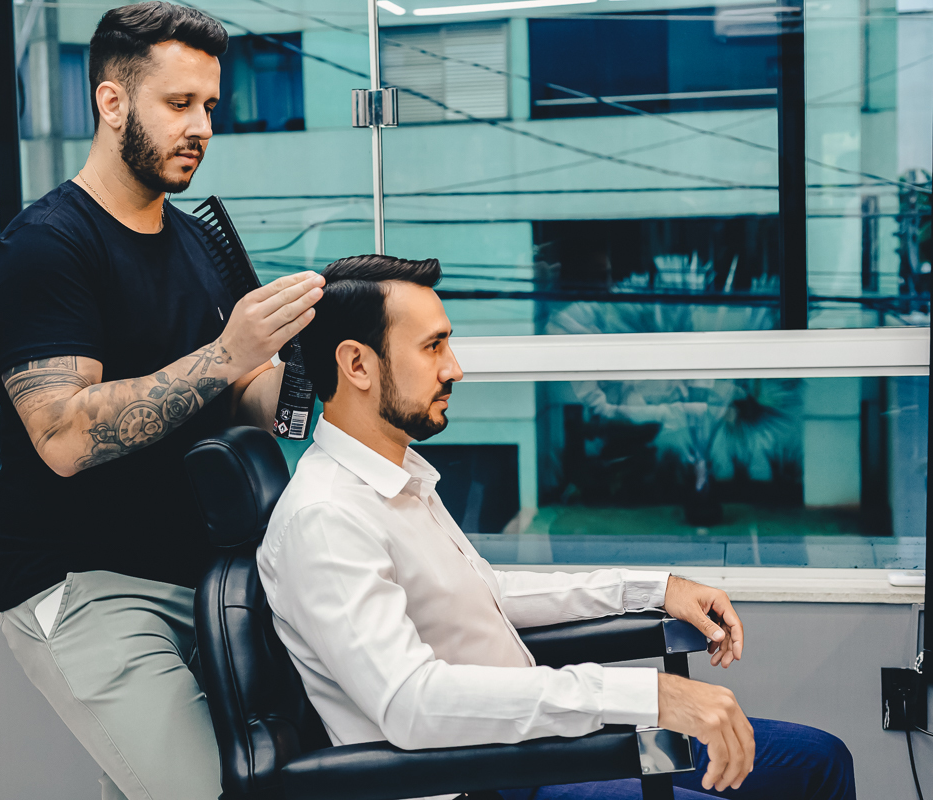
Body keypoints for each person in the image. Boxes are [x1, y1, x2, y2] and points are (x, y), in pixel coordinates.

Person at [257, 254, 856, 800]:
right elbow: (412, 706)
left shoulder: (399, 479)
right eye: (434, 347)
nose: (455, 369)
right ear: (357, 363)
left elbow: (490, 597)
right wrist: (649, 696)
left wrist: (654, 590)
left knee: (820, 762)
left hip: (535, 747)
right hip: (484, 782)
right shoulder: (326, 518)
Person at [0, 4, 324, 799]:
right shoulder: (46, 248)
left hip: (207, 577)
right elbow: (62, 435)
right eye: (178, 105)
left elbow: (244, 399)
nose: (202, 126)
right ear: (112, 102)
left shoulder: (198, 243)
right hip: (87, 585)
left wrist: (320, 367)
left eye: (209, 106)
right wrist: (225, 352)